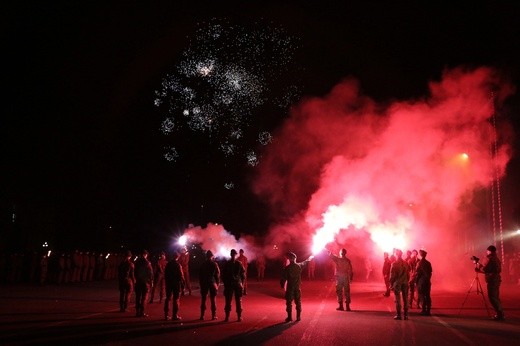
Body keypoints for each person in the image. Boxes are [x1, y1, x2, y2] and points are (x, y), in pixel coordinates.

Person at [280, 252, 313, 322]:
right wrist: (310, 258)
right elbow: (306, 262)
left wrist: (282, 285)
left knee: (289, 302)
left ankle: (289, 317)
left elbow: (283, 279)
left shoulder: (287, 268)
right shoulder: (299, 266)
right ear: (295, 258)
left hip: (290, 288)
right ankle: (298, 317)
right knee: (298, 302)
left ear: (290, 259)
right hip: (297, 287)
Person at [475, 245, 505, 321]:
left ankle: (500, 314)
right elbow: (488, 269)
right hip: (495, 279)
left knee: (492, 297)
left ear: (490, 251)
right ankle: (500, 313)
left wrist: (478, 266)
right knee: (495, 297)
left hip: (493, 280)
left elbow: (486, 269)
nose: (486, 253)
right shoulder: (495, 259)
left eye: (487, 251)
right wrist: (479, 264)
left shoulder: (492, 259)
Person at [222, 249, 245, 322]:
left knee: (228, 301)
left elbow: (223, 275)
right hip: (237, 283)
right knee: (238, 301)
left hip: (229, 284)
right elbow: (243, 275)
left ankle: (227, 317)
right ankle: (239, 317)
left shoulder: (227, 263)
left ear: (230, 254)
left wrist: (225, 284)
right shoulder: (239, 263)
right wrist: (242, 284)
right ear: (236, 254)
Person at [199, 250, 221, 320]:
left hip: (204, 283)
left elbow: (200, 276)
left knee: (203, 300)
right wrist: (217, 284)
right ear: (211, 256)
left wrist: (201, 284)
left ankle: (202, 316)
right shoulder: (214, 264)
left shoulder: (203, 264)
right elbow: (217, 275)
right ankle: (213, 316)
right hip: (212, 282)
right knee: (213, 300)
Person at [390, 249, 410, 320]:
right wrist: (407, 281)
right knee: (405, 298)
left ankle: (399, 315)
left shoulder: (394, 264)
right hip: (405, 282)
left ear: (396, 255)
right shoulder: (406, 263)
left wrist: (391, 284)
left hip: (398, 283)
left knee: (398, 299)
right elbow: (408, 274)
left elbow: (392, 276)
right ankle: (406, 315)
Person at [164, 251, 184, 321]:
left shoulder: (168, 264)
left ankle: (166, 316)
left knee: (168, 299)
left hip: (169, 283)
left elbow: (165, 274)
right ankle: (174, 315)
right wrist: (183, 285)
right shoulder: (178, 265)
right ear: (177, 257)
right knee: (176, 299)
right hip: (176, 284)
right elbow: (181, 276)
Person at [134, 249, 154, 317]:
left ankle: (137, 312)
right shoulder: (148, 263)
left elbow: (134, 272)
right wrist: (151, 281)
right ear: (145, 255)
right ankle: (142, 312)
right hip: (145, 282)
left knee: (138, 297)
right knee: (144, 298)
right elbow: (150, 273)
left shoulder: (136, 262)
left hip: (138, 282)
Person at [415, 249, 432, 316]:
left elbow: (418, 273)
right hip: (427, 281)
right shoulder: (428, 263)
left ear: (421, 255)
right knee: (427, 295)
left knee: (421, 295)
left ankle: (423, 310)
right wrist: (428, 279)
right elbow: (430, 273)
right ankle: (428, 310)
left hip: (421, 282)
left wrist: (416, 281)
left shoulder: (419, 263)